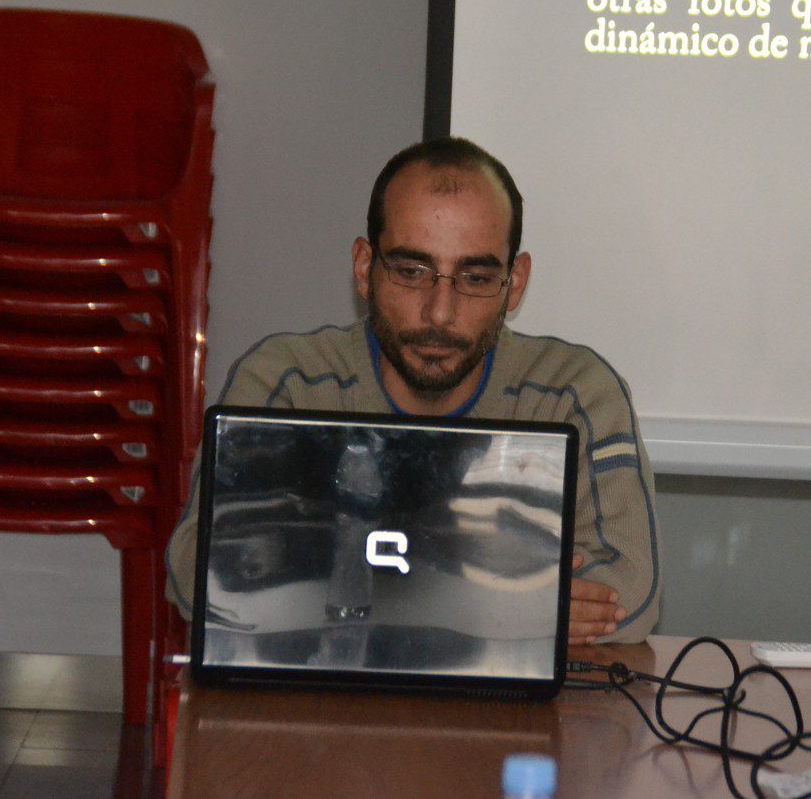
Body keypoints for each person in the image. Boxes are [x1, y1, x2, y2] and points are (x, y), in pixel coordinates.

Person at [166, 137, 660, 643]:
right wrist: (510, 601)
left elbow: (632, 595)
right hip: (324, 697)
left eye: (475, 276)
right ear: (364, 268)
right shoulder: (285, 381)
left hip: (504, 713)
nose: (440, 313)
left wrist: (332, 578)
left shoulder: (574, 392)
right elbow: (194, 574)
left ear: (515, 284)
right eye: (410, 271)